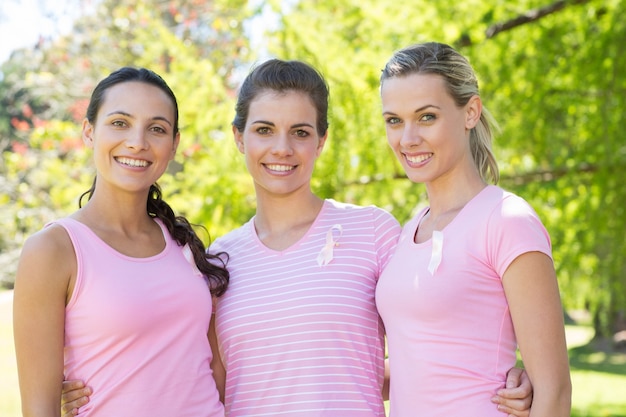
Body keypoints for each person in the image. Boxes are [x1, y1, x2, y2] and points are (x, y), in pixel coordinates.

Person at [60, 59, 534, 416]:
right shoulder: (218, 260)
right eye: (264, 130)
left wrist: (521, 373)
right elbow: (199, 376)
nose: (282, 149)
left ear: (321, 141)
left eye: (300, 132)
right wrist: (88, 386)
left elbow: (430, 336)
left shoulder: (374, 232)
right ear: (239, 138)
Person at [13, 67, 229, 417]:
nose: (137, 142)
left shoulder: (183, 246)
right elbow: (39, 409)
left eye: (156, 129)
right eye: (119, 123)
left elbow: (212, 369)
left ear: (173, 144)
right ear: (88, 132)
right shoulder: (54, 250)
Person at [375, 42, 572, 416]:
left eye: (427, 117)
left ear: (470, 112)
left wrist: (532, 385)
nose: (408, 138)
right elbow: (419, 368)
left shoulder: (507, 220)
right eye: (394, 120)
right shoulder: (410, 228)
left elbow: (555, 390)